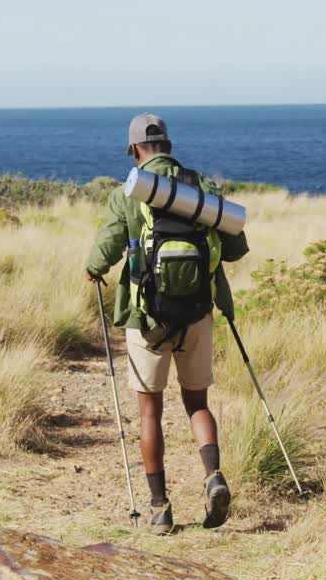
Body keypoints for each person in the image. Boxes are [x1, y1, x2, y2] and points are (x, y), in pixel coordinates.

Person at [85, 113, 249, 534]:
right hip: (197, 311)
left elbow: (105, 249)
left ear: (136, 150)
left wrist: (93, 268)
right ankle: (214, 476)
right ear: (169, 147)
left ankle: (160, 509)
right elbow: (234, 248)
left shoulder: (130, 192)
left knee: (149, 413)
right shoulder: (201, 189)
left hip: (147, 317)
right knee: (197, 403)